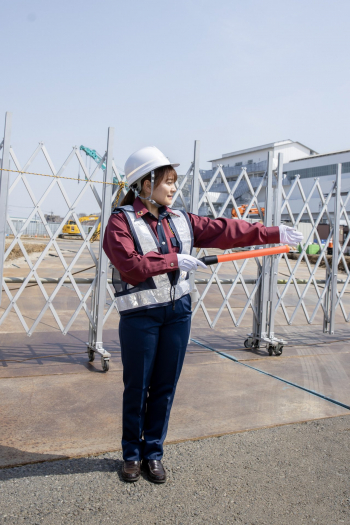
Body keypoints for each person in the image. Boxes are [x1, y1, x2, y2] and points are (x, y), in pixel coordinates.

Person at [103, 146, 303, 484]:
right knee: (137, 387)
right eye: (166, 182)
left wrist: (273, 233)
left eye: (174, 182)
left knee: (165, 386)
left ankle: (153, 453)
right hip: (141, 318)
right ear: (145, 183)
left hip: (178, 314)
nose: (172, 189)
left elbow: (226, 231)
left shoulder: (181, 219)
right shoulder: (120, 221)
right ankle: (131, 455)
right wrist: (174, 261)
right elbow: (130, 266)